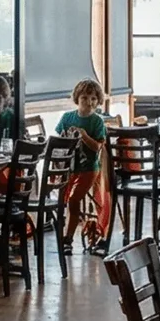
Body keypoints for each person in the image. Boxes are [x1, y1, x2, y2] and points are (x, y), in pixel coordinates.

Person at [56, 78, 111, 252]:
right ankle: (62, 234)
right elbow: (58, 139)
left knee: (74, 200)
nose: (89, 102)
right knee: (62, 199)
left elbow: (97, 147)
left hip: (89, 169)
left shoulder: (97, 122)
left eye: (93, 98)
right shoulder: (67, 117)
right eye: (85, 98)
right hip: (68, 168)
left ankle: (68, 239)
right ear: (77, 98)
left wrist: (84, 136)